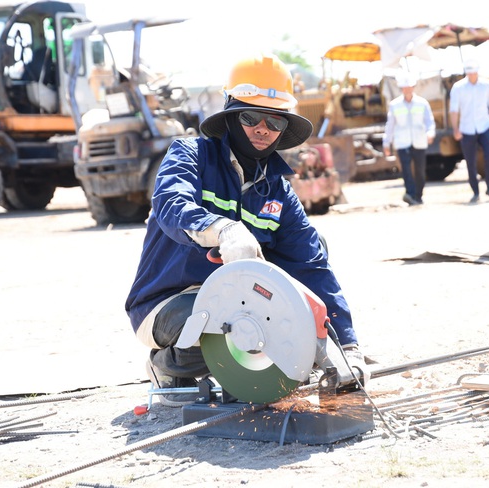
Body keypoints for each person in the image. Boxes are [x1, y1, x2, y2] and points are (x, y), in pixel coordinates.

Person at [124, 54, 364, 406]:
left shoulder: (278, 191)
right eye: (252, 117)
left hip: (242, 300)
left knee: (309, 266)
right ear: (232, 113)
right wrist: (222, 230)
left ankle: (247, 361)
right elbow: (171, 204)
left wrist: (346, 346)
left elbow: (311, 266)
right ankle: (168, 366)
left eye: (275, 121)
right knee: (238, 322)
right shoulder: (190, 155)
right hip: (166, 302)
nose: (263, 128)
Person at [449, 59, 489, 204]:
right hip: (466, 129)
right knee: (470, 161)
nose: (472, 75)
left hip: (484, 126)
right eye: (469, 72)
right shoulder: (458, 88)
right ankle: (475, 191)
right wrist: (455, 128)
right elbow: (454, 110)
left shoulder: (486, 85)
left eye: (474, 72)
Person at [383, 72, 436, 206]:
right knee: (406, 169)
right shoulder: (395, 105)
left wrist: (430, 133)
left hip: (419, 141)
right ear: (401, 89)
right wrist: (386, 142)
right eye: (404, 88)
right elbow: (390, 125)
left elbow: (430, 121)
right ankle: (410, 194)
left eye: (409, 87)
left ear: (413, 87)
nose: (407, 90)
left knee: (420, 170)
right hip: (402, 142)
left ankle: (418, 195)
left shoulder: (422, 103)